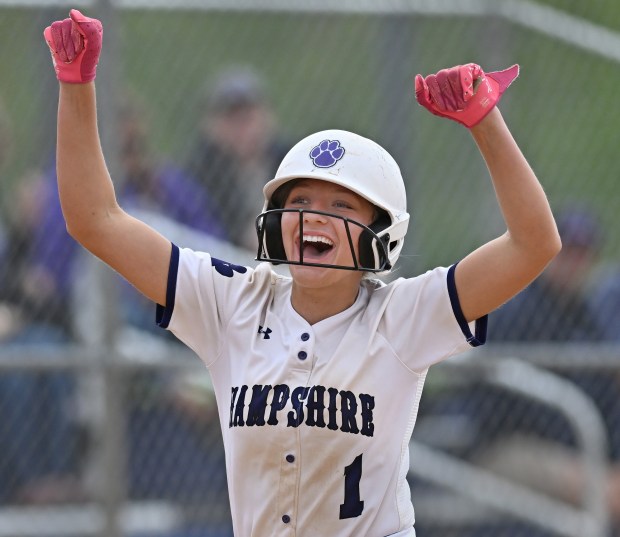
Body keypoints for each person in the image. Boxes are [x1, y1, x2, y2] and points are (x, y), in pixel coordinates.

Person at [43, 9, 561, 537]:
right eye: (302, 200)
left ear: (382, 235)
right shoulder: (230, 303)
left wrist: (484, 120)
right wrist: (76, 83)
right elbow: (95, 220)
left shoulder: (403, 316)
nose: (314, 215)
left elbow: (534, 244)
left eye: (341, 205)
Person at [185, 66, 290, 252]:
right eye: (231, 119)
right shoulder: (199, 173)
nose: (242, 129)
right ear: (210, 126)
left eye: (249, 117)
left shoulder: (289, 159)